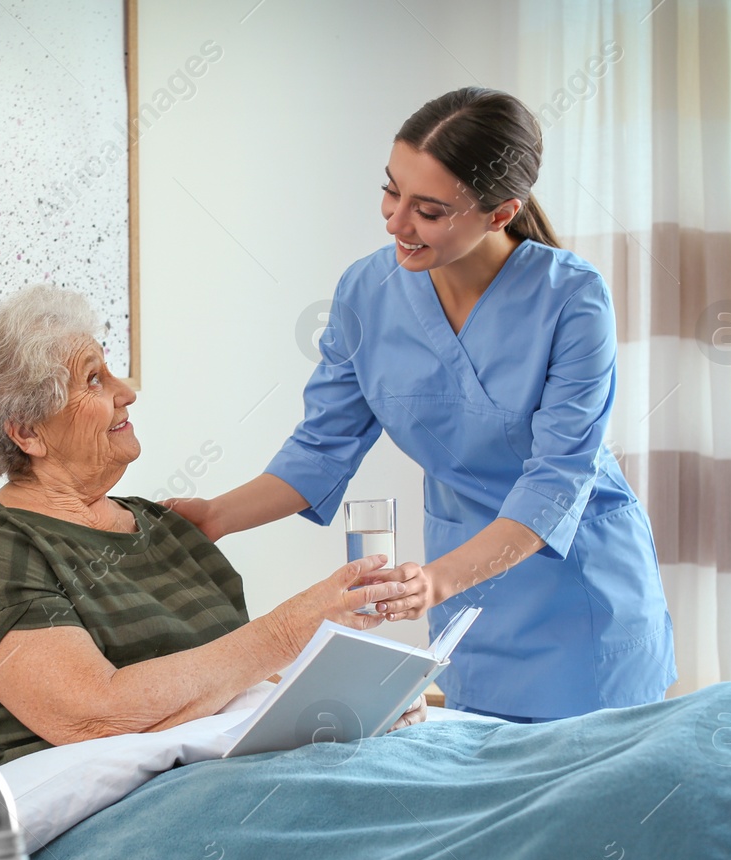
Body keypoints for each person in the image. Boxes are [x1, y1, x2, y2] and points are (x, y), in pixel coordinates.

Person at [170, 87, 676, 723]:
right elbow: (321, 449)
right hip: (469, 599)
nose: (395, 223)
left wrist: (433, 581)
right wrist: (214, 517)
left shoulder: (572, 300)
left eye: (428, 210)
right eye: (391, 192)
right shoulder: (367, 291)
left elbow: (555, 482)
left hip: (577, 588)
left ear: (500, 213)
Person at [0, 285, 426, 766]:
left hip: (231, 771)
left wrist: (352, 706)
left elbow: (235, 685)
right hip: (105, 816)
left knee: (485, 764)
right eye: (94, 379)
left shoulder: (164, 527)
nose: (127, 392)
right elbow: (96, 717)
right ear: (28, 432)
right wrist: (294, 627)